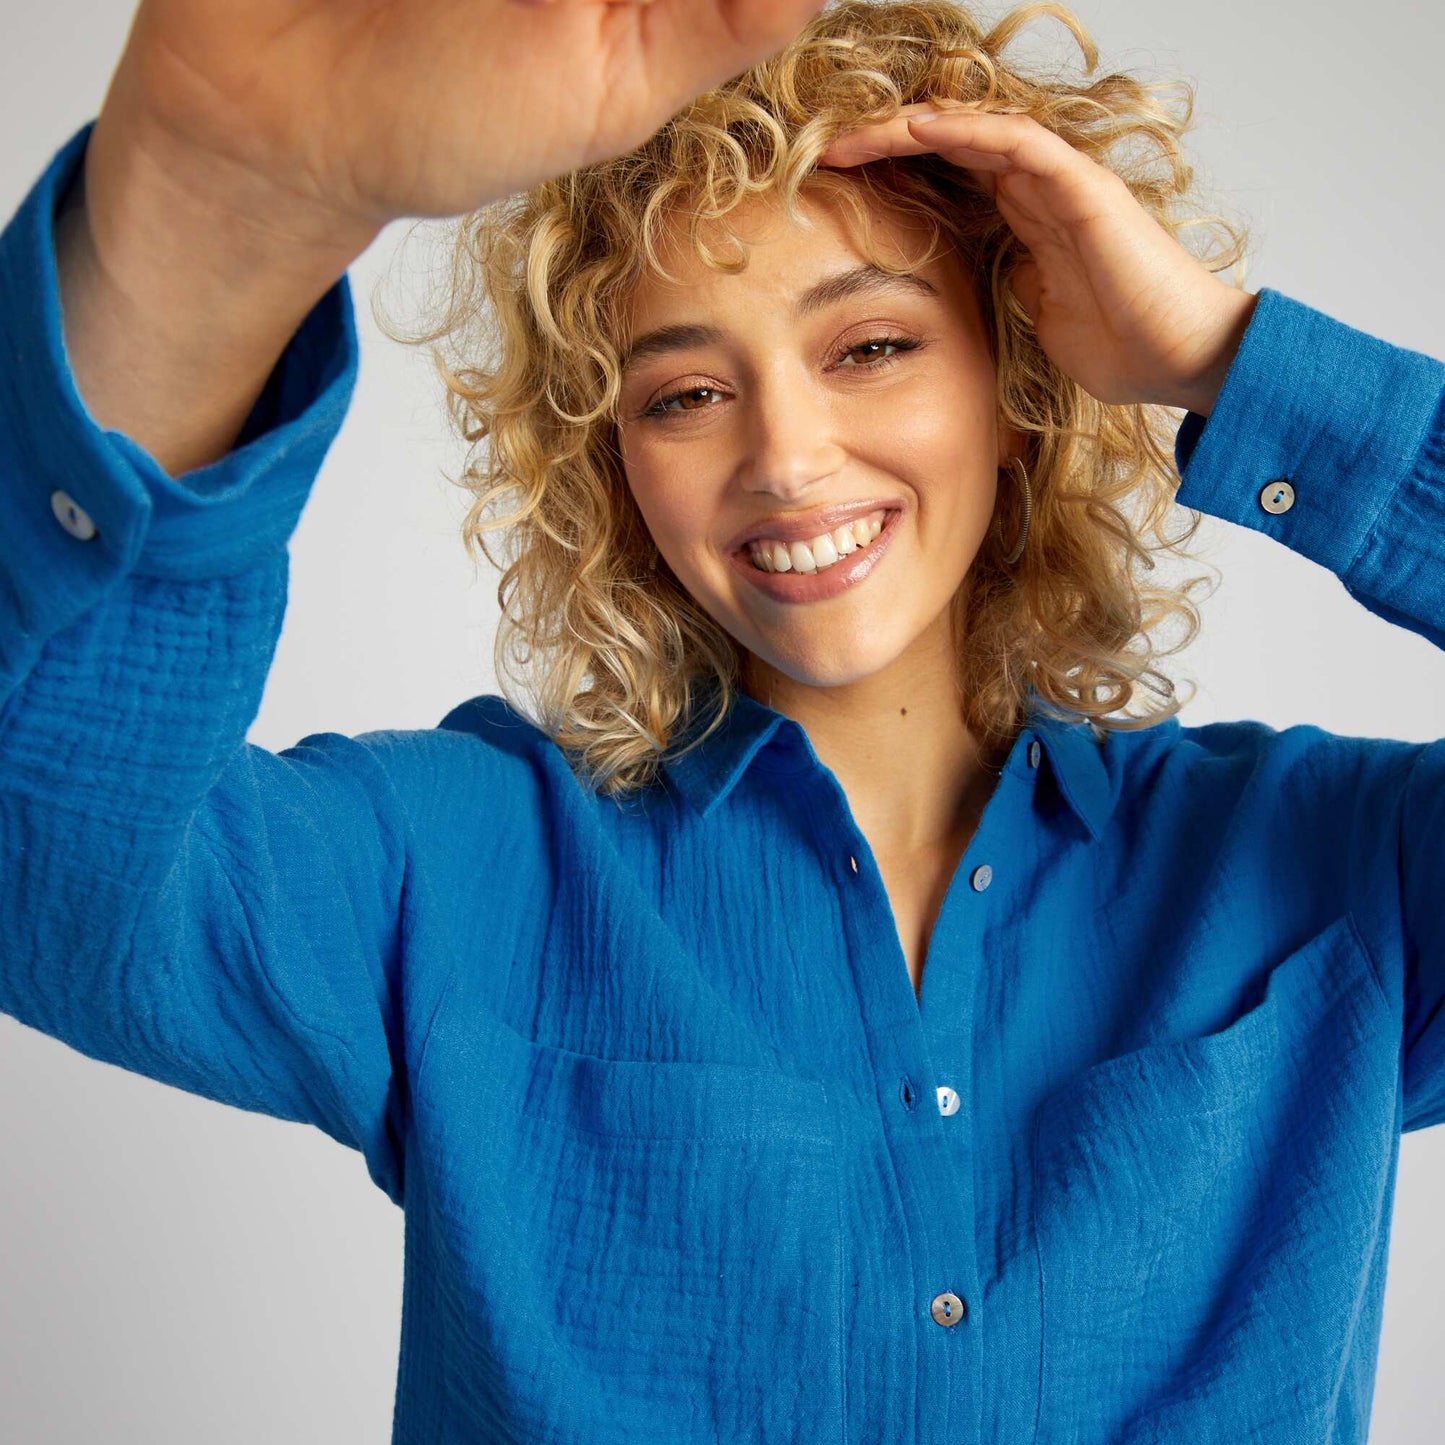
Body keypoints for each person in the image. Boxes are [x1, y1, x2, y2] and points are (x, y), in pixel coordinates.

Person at [0, 0, 1439, 1440]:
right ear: (614, 460)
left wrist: (1225, 360)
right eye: (685, 391)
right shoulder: (453, 864)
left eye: (870, 346)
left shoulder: (1332, 872)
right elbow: (54, 876)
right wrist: (206, 204)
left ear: (1016, 377)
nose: (786, 459)